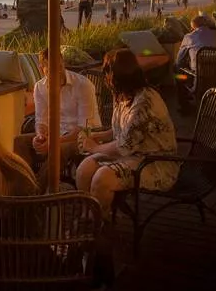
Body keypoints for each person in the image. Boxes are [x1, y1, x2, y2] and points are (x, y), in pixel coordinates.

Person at [75, 49, 179, 214]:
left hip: (155, 162)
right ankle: (86, 216)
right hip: (131, 155)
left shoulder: (144, 102)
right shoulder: (123, 95)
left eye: (106, 71)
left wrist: (94, 147)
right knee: (84, 170)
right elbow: (120, 131)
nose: (104, 76)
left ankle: (98, 221)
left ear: (115, 76)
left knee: (102, 178)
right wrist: (96, 136)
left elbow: (124, 145)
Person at [14, 48, 99, 186]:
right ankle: (24, 185)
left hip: (85, 137)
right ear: (42, 69)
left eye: (59, 66)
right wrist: (40, 136)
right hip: (57, 134)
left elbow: (84, 128)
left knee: (58, 149)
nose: (57, 72)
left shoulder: (83, 85)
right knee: (19, 142)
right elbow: (41, 120)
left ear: (63, 62)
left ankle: (36, 190)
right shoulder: (40, 87)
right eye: (50, 69)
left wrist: (53, 142)